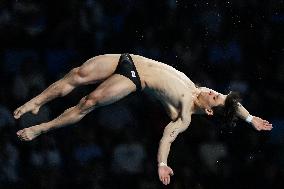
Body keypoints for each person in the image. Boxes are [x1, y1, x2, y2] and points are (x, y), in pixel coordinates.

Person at [14, 53, 273, 185]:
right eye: (217, 93)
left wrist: (162, 163)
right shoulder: (199, 91)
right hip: (128, 58)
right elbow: (233, 104)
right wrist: (250, 120)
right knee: (77, 73)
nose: (212, 92)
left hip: (135, 79)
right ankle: (37, 101)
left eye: (214, 98)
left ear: (208, 111)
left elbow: (166, 139)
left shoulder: (183, 115)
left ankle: (43, 128)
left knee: (88, 103)